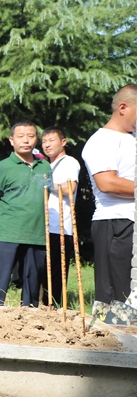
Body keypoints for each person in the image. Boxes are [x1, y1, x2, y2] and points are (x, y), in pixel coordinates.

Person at [0, 121, 52, 307]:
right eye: (21, 136)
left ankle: (29, 318)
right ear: (12, 140)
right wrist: (8, 218)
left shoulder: (44, 167)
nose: (26, 140)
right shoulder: (2, 167)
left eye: (31, 136)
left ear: (36, 139)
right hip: (9, 233)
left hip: (37, 234)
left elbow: (46, 197)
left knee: (33, 280)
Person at [81, 84, 136, 308]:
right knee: (116, 298)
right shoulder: (101, 141)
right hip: (115, 222)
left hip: (132, 220)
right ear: (123, 107)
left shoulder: (132, 138)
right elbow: (107, 183)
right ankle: (111, 341)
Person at [41, 128, 79, 307]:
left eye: (51, 140)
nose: (47, 144)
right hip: (44, 225)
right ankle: (40, 304)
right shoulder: (45, 166)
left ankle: (54, 306)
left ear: (63, 142)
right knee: (42, 270)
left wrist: (47, 184)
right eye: (44, 141)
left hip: (60, 226)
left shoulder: (69, 162)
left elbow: (69, 188)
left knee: (56, 270)